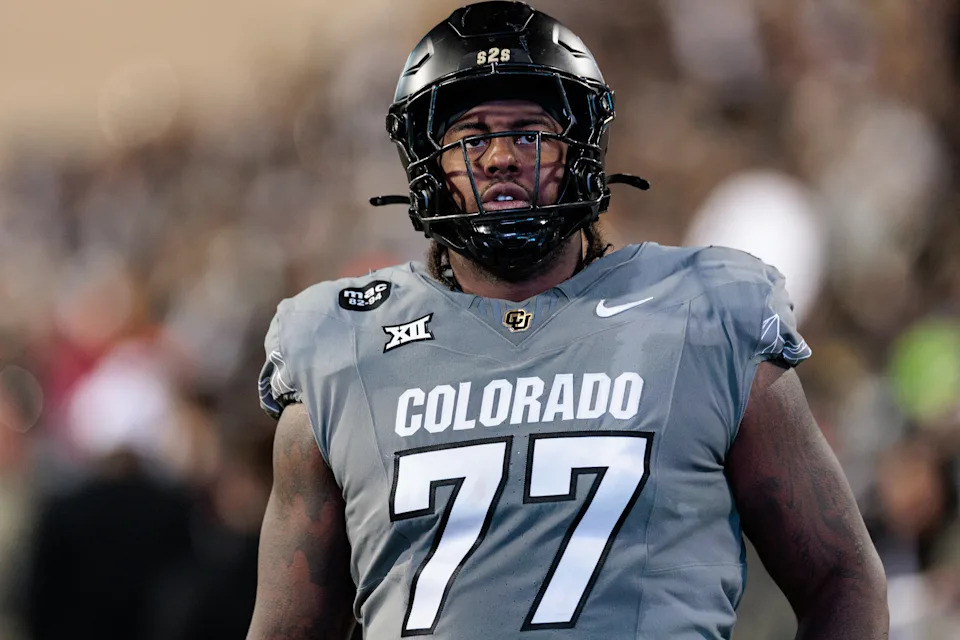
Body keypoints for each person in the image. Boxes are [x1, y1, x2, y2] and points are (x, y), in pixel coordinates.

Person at [247, 2, 888, 638]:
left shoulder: (704, 315)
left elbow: (842, 579)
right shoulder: (342, 347)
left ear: (581, 146)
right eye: (472, 137)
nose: (501, 157)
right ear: (428, 161)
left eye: (530, 133)